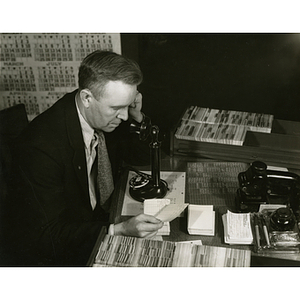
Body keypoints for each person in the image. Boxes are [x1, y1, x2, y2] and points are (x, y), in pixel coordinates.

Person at [7, 50, 163, 266]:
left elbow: (142, 156)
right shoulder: (40, 148)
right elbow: (47, 237)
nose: (124, 116)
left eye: (128, 106)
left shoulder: (105, 114)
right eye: (118, 108)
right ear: (87, 98)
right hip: (60, 253)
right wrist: (117, 230)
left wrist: (137, 117)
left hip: (98, 220)